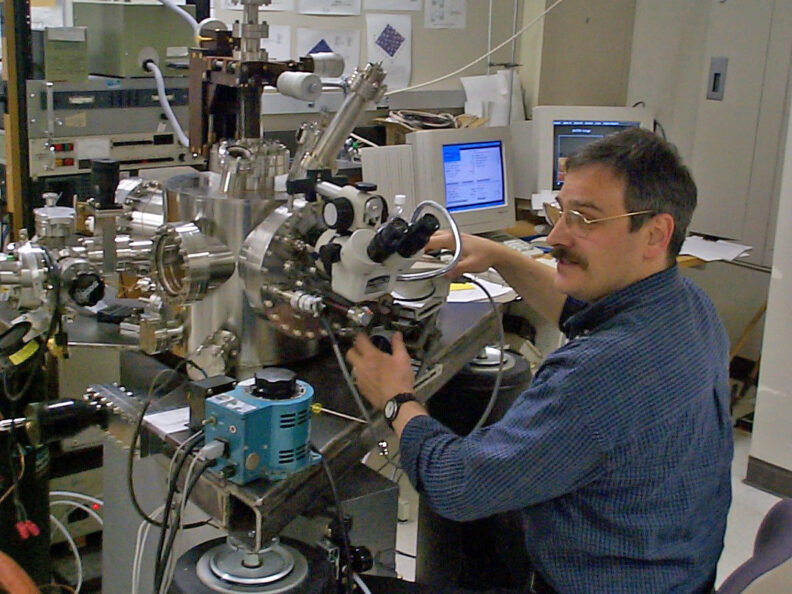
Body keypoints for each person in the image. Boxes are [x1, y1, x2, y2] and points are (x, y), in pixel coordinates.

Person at [346, 127, 734, 594]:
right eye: (560, 211)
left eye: (584, 220)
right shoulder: (688, 302)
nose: (554, 237)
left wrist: (395, 400)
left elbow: (456, 486)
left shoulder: (598, 373)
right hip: (677, 569)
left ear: (655, 234)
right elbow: (581, 312)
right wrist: (498, 256)